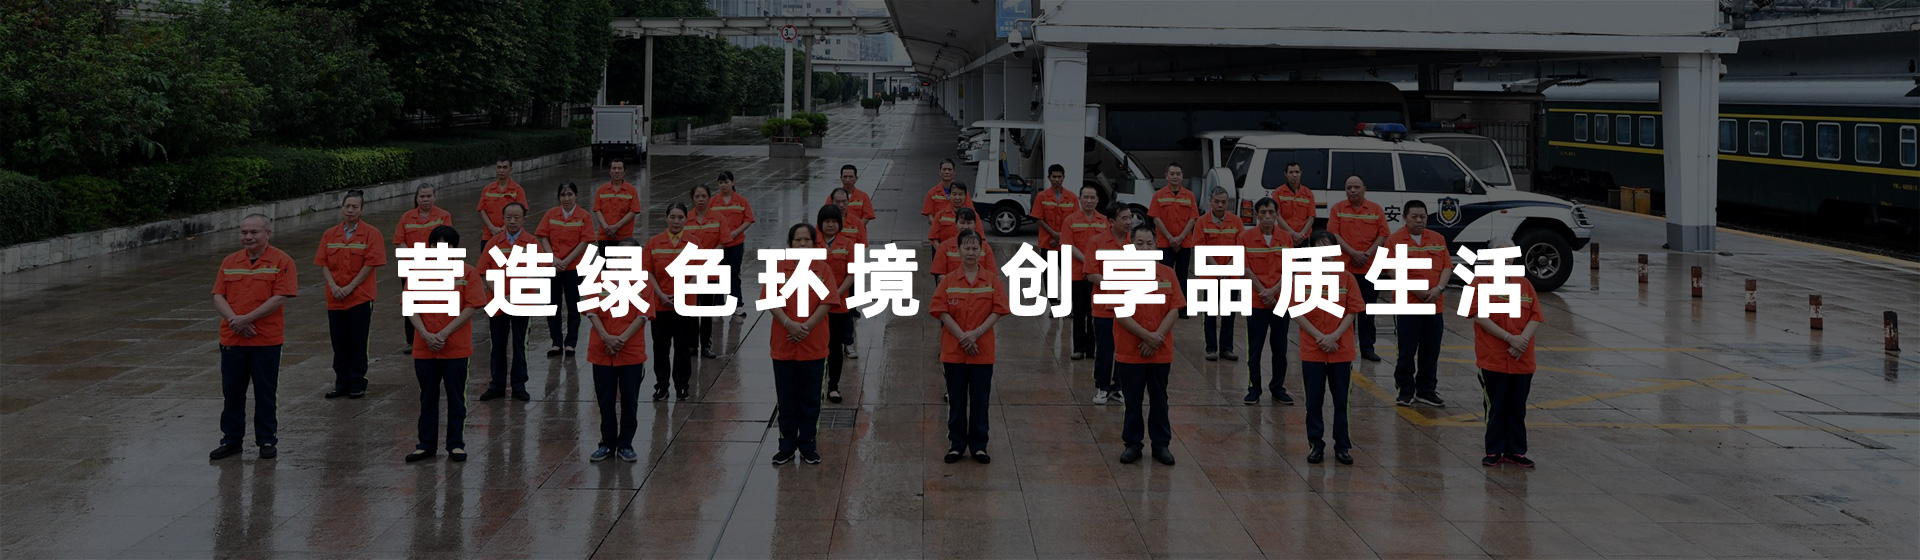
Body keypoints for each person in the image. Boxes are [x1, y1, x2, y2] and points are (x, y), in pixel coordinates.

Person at [210, 214, 298, 460]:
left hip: (265, 340)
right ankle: (231, 439)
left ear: (268, 233)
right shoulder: (230, 261)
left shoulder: (282, 261)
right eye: (244, 232)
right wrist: (235, 321)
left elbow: (279, 297)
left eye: (254, 232)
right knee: (232, 393)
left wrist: (246, 319)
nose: (248, 237)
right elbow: (218, 296)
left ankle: (267, 439)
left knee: (265, 391)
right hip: (233, 339)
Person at [405, 226, 486, 463]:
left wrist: (443, 333)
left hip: (455, 348)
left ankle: (455, 444)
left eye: (446, 244)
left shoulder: (467, 272)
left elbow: (471, 306)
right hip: (425, 347)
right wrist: (425, 333)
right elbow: (410, 306)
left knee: (456, 397)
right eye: (435, 244)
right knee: (427, 397)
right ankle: (426, 444)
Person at [931, 229, 1011, 465]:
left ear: (982, 251)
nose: (971, 252)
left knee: (980, 400)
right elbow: (940, 310)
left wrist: (976, 334)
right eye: (966, 247)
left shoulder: (992, 280)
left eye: (975, 248)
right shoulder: (948, 281)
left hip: (982, 350)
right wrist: (963, 337)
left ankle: (979, 445)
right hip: (954, 352)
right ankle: (956, 445)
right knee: (956, 400)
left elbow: (999, 310)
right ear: (958, 251)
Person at [1111, 224, 1185, 466]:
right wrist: (1147, 336)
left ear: (1157, 246)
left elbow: (1175, 309)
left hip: (1160, 351)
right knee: (1132, 400)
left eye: (1149, 243)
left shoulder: (1168, 274)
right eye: (1139, 243)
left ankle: (1161, 444)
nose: (1145, 248)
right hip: (1130, 351)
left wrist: (1156, 338)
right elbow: (1121, 313)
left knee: (1159, 399)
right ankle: (1132, 444)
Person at [1468, 239, 1545, 469]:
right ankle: (1494, 450)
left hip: (1522, 358)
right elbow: (1480, 317)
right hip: (1494, 358)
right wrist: (1510, 338)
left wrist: (1521, 341)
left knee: (1517, 408)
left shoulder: (1525, 284)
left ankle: (1516, 451)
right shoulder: (1478, 282)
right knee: (1496, 406)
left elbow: (1536, 316)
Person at [1292, 231, 1365, 466]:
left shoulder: (1347, 278)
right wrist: (1320, 337)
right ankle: (1316, 445)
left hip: (1340, 350)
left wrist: (1334, 336)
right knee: (1313, 401)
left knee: (1342, 402)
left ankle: (1342, 447)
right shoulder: (1302, 277)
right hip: (1313, 350)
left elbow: (1352, 311)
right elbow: (1297, 312)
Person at [769, 224, 839, 466]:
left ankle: (808, 444)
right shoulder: (778, 267)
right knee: (786, 399)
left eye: (806, 240)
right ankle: (786, 445)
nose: (801, 244)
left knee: (811, 399)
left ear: (814, 244)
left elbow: (827, 302)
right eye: (797, 240)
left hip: (814, 346)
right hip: (784, 345)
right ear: (790, 244)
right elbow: (771, 300)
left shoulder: (822, 269)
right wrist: (789, 324)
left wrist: (804, 327)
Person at [584, 239, 658, 462]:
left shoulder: (643, 283)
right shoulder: (598, 279)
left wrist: (621, 339)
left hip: (631, 353)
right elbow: (591, 312)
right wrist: (607, 338)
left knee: (630, 401)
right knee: (605, 401)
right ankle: (607, 443)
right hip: (602, 351)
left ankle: (625, 444)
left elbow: (643, 316)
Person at [316, 190, 386, 399]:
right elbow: (323, 263)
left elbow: (371, 264)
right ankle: (341, 383)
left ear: (361, 209)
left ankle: (357, 382)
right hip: (335, 298)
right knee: (339, 343)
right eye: (347, 206)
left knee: (358, 342)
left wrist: (350, 287)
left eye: (355, 207)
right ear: (342, 208)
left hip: (360, 297)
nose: (350, 210)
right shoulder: (330, 234)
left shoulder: (371, 233)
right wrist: (333, 286)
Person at [1386, 200, 1452, 407]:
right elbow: (1391, 270)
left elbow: (1447, 267)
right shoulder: (1395, 240)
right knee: (1406, 350)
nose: (1419, 220)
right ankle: (1405, 390)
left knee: (1431, 350)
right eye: (1414, 216)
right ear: (1404, 218)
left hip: (1434, 305)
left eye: (1422, 216)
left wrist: (1438, 289)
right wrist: (1418, 291)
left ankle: (1426, 390)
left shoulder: (1437, 238)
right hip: (1408, 304)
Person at [479, 203, 540, 402]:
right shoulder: (494, 243)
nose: (512, 221)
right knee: (497, 344)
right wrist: (501, 295)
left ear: (524, 219)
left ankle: (518, 386)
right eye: (508, 217)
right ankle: (497, 385)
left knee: (520, 344)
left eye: (516, 217)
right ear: (503, 218)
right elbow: (484, 272)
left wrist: (514, 295)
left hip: (522, 302)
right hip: (497, 303)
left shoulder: (531, 243)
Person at [1238, 198, 1294, 405]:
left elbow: (1290, 269)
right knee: (1255, 348)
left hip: (1280, 300)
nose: (1267, 216)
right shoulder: (1245, 237)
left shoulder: (1286, 238)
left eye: (1271, 212)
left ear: (1277, 215)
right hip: (1256, 300)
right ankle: (1254, 388)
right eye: (1263, 212)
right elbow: (1244, 268)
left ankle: (1278, 388)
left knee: (1280, 347)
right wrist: (1264, 291)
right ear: (1257, 215)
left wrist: (1274, 290)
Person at [1328, 174, 1390, 362]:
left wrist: (1366, 254)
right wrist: (1353, 253)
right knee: (1342, 310)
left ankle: (1367, 348)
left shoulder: (1375, 209)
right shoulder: (1338, 209)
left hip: (1370, 267)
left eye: (1356, 187)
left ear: (1364, 189)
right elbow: (1334, 235)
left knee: (1368, 311)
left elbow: (1383, 235)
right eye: (1349, 188)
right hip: (1345, 268)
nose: (1352, 191)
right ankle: (1343, 346)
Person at [644, 204, 698, 402]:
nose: (676, 221)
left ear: (686, 220)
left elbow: (698, 272)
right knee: (660, 348)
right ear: (666, 218)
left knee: (683, 347)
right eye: (673, 217)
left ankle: (682, 385)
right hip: (660, 305)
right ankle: (662, 386)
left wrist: (682, 293)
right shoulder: (654, 242)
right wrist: (660, 295)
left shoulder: (694, 242)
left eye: (680, 217)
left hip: (685, 304)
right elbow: (648, 272)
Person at [1082, 203, 1135, 405]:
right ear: (1111, 221)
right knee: (1105, 349)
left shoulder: (1134, 242)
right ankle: (1102, 386)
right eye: (1124, 218)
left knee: (1125, 348)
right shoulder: (1097, 242)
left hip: (1130, 305)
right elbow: (1091, 273)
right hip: (1104, 306)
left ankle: (1119, 386)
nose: (1129, 222)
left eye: (1130, 217)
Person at [537, 182, 598, 357]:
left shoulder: (584, 216)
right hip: (553, 266)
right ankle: (556, 342)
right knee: (552, 305)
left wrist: (567, 260)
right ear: (559, 197)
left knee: (573, 305)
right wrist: (553, 259)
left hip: (574, 267)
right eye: (563, 195)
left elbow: (585, 241)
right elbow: (543, 236)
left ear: (576, 196)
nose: (566, 198)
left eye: (570, 194)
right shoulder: (551, 214)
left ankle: (571, 343)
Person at [394, 185, 452, 353]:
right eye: (422, 196)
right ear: (416, 198)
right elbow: (400, 241)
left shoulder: (443, 216)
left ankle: (437, 336)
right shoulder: (406, 217)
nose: (426, 199)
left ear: (434, 197)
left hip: (436, 267)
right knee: (411, 304)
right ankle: (412, 341)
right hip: (411, 267)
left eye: (429, 196)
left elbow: (447, 240)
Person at [1193, 186, 1244, 362]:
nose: (1220, 205)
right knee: (1210, 314)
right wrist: (1217, 269)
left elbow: (1241, 247)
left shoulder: (1236, 222)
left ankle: (1226, 349)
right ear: (1210, 202)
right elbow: (1200, 247)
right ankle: (1211, 349)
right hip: (1210, 276)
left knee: (1229, 315)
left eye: (1223, 202)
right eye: (1217, 201)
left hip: (1231, 275)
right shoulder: (1202, 222)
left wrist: (1228, 268)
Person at [1064, 185, 1108, 361]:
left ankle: (1091, 349)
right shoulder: (1070, 220)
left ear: (1097, 200)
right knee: (1079, 312)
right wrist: (1088, 263)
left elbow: (1106, 245)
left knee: (1094, 312)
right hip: (1077, 274)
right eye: (1086, 197)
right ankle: (1078, 348)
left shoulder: (1104, 221)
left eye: (1092, 198)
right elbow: (1068, 245)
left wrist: (1092, 267)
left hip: (1097, 275)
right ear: (1079, 199)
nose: (1089, 201)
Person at [818, 205, 857, 404]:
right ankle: (816, 385)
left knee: (834, 347)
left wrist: (835, 294)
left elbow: (852, 274)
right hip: (814, 304)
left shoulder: (847, 244)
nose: (830, 225)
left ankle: (833, 386)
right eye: (827, 221)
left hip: (838, 305)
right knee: (817, 346)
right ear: (820, 223)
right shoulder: (812, 243)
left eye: (834, 221)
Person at [710, 171, 757, 317]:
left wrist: (736, 232)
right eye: (720, 183)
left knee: (733, 274)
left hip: (735, 244)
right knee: (717, 274)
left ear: (732, 182)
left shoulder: (741, 201)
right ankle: (718, 303)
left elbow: (748, 219)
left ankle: (737, 304)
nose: (723, 185)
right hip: (718, 245)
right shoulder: (713, 202)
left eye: (726, 182)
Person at [686, 184, 724, 358]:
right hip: (690, 272)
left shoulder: (718, 218)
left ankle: (706, 346)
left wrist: (707, 260)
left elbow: (722, 242)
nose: (700, 199)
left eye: (704, 196)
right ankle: (692, 345)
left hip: (710, 270)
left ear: (709, 198)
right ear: (692, 199)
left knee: (707, 311)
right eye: (697, 196)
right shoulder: (686, 218)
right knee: (692, 310)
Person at [827, 187, 864, 361]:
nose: (841, 205)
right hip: (826, 278)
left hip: (849, 275)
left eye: (844, 202)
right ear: (831, 202)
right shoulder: (824, 223)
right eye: (837, 202)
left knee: (848, 310)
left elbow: (861, 248)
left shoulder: (856, 223)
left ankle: (848, 343)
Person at [1147, 163, 1199, 285]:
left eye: (1178, 174)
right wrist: (1171, 238)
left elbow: (1192, 219)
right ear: (1166, 176)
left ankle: (1182, 298)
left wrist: (1180, 238)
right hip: (1165, 243)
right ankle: (1166, 298)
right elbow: (1156, 219)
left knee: (1182, 277)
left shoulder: (1189, 195)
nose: (1175, 176)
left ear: (1182, 176)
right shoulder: (1158, 195)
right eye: (1172, 174)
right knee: (1165, 276)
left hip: (1184, 243)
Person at [930, 208, 998, 286]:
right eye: (962, 223)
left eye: (969, 223)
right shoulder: (944, 247)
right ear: (956, 224)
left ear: (975, 225)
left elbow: (993, 276)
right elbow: (940, 276)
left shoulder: (985, 247)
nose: (965, 227)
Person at [1029, 164, 1077, 255]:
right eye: (1054, 177)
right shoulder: (1041, 197)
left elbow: (1075, 221)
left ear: (1064, 177)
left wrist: (1060, 237)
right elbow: (1039, 219)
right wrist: (1054, 234)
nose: (1057, 180)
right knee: (1048, 265)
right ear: (1049, 178)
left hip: (1066, 243)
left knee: (1065, 265)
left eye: (1059, 177)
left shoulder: (1072, 197)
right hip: (1047, 242)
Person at [475, 156, 527, 239]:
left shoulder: (518, 190)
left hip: (511, 236)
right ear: (495, 168)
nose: (501, 170)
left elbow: (522, 212)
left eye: (505, 167)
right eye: (499, 167)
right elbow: (482, 210)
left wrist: (504, 229)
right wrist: (492, 228)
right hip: (489, 235)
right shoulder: (487, 189)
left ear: (511, 169)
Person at [594, 160, 640, 245]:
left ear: (624, 171)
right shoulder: (601, 190)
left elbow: (633, 211)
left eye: (619, 168)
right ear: (609, 171)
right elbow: (597, 210)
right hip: (605, 236)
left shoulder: (631, 190)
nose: (616, 171)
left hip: (625, 239)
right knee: (603, 254)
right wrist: (606, 228)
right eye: (614, 168)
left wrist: (616, 226)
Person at [1271, 162, 1315, 247]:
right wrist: (1292, 233)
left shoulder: (1308, 193)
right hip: (1284, 236)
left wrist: (1301, 235)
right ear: (1285, 174)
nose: (1294, 175)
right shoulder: (1278, 192)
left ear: (1301, 173)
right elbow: (1277, 215)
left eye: (1297, 172)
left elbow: (1311, 217)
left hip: (1303, 237)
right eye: (1291, 172)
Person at [920, 159, 970, 226]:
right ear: (939, 172)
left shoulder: (963, 193)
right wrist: (941, 228)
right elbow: (930, 218)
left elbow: (971, 213)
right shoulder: (932, 193)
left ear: (954, 172)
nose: (947, 172)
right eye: (944, 169)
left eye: (949, 169)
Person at [837, 164, 877, 230]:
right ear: (841, 178)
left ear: (856, 178)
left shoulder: (863, 196)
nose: (848, 180)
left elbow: (866, 216)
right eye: (845, 177)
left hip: (858, 233)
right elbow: (827, 215)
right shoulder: (833, 197)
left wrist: (855, 228)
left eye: (851, 177)